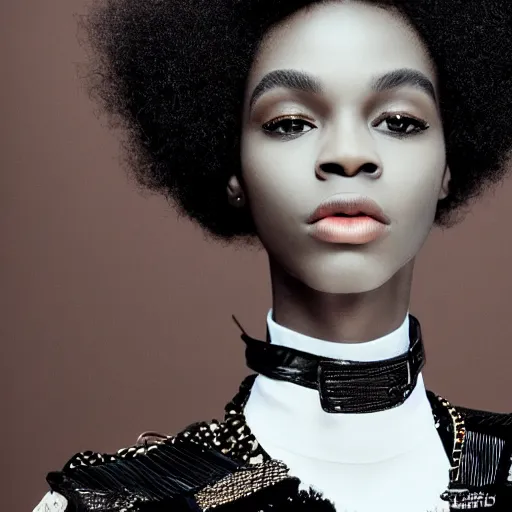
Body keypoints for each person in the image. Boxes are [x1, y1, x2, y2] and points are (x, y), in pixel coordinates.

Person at [34, 0, 512, 511]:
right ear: (232, 165)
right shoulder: (111, 504)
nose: (348, 154)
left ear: (448, 165)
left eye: (398, 120)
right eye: (289, 123)